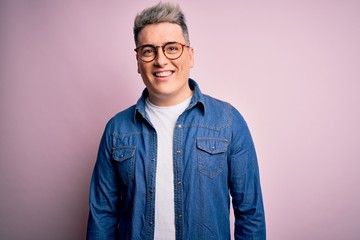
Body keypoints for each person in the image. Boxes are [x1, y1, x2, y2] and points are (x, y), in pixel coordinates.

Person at [86, 2, 266, 240]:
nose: (161, 60)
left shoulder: (229, 121)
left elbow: (250, 214)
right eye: (149, 50)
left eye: (172, 48)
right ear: (138, 61)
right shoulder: (117, 130)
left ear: (190, 56)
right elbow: (102, 216)